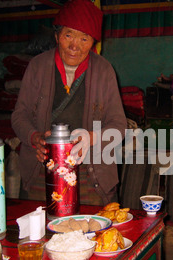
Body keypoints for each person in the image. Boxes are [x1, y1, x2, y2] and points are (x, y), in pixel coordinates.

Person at [11, 0, 127, 205]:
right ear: (57, 36)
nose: (75, 46)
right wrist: (34, 137)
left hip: (91, 173)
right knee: (43, 230)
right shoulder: (37, 66)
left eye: (84, 38)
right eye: (68, 35)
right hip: (43, 168)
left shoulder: (104, 70)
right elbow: (19, 116)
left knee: (92, 232)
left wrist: (90, 139)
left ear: (93, 43)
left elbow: (119, 126)